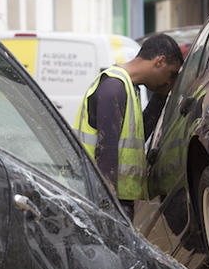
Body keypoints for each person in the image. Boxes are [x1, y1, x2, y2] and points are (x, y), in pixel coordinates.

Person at [74, 33, 183, 219]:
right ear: (160, 61)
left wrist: (160, 97)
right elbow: (106, 151)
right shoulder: (113, 88)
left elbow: (135, 140)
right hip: (102, 199)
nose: (170, 83)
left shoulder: (127, 87)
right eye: (171, 74)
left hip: (113, 198)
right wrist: (108, 210)